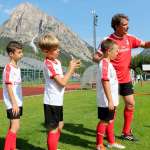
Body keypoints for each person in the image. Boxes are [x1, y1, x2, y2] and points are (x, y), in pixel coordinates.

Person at [93, 13, 150, 141]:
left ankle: (126, 133)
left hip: (125, 79)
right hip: (112, 81)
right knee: (113, 109)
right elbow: (95, 57)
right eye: (124, 25)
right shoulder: (107, 40)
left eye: (127, 25)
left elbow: (145, 44)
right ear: (116, 26)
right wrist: (105, 57)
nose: (127, 27)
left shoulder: (129, 38)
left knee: (130, 104)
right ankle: (109, 136)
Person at [38, 33, 80, 150]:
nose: (58, 51)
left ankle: (53, 147)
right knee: (54, 129)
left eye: (58, 48)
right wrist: (71, 69)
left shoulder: (57, 62)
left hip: (58, 101)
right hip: (51, 101)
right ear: (46, 51)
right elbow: (62, 82)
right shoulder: (48, 64)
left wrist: (72, 68)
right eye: (55, 49)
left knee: (60, 125)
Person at [96, 39, 125, 150]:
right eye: (116, 51)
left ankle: (111, 142)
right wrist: (110, 100)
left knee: (110, 120)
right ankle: (99, 145)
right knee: (104, 121)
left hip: (111, 99)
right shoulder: (104, 64)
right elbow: (105, 81)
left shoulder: (108, 64)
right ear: (108, 51)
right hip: (106, 100)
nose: (118, 53)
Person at [2, 41, 23, 150]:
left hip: (18, 102)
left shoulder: (17, 68)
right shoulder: (8, 68)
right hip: (12, 103)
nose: (21, 54)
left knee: (12, 127)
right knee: (16, 126)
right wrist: (14, 103)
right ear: (11, 54)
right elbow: (9, 87)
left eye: (21, 52)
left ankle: (12, 148)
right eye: (19, 52)